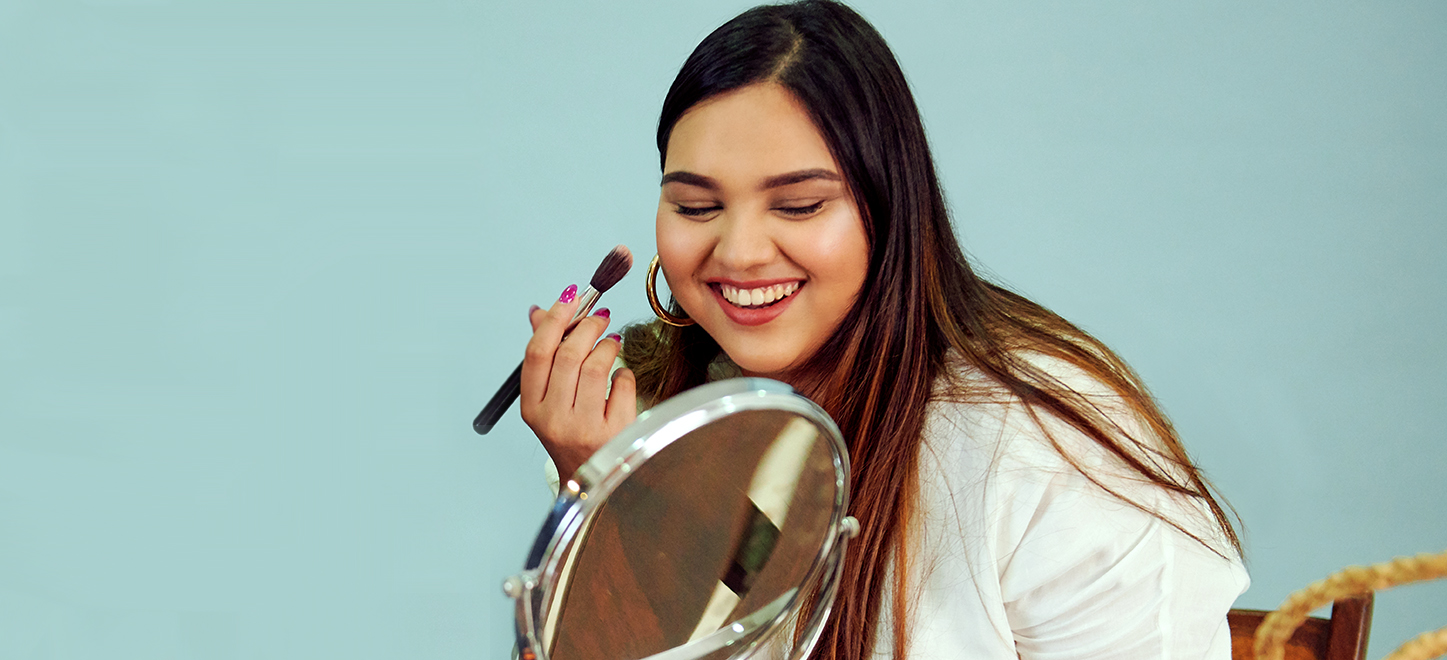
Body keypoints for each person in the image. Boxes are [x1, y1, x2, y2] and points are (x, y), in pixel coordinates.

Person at [517, 1, 1249, 658]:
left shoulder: (1037, 442)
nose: (737, 253)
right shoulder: (648, 409)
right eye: (696, 208)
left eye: (799, 205)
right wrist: (617, 491)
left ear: (890, 211)